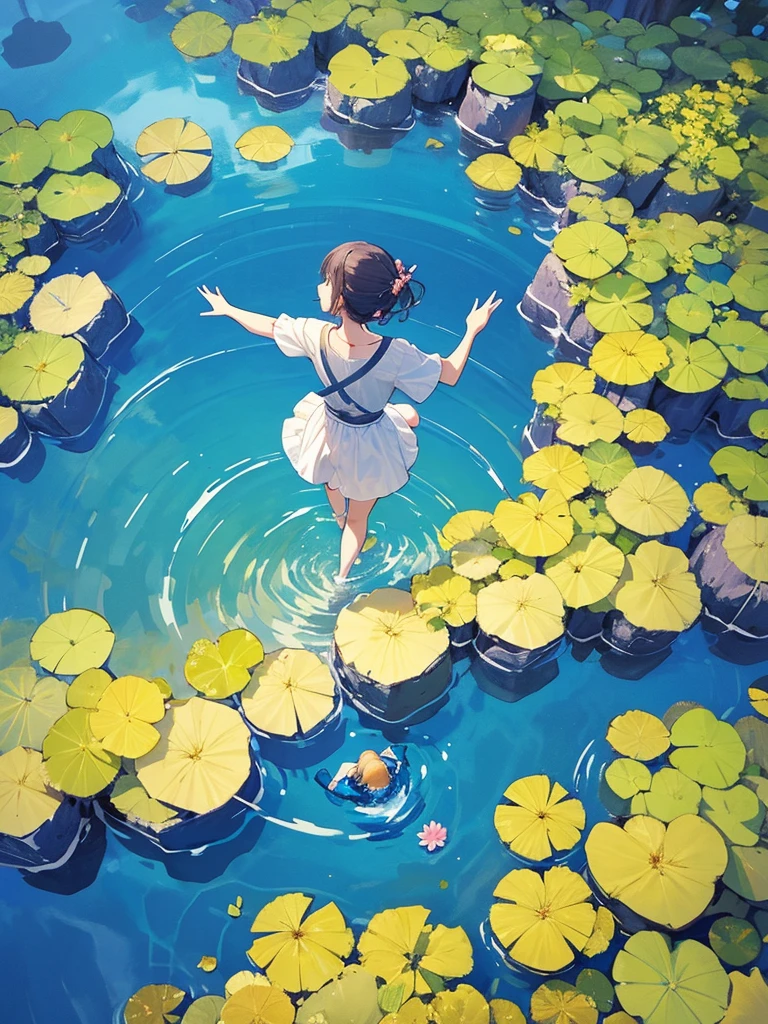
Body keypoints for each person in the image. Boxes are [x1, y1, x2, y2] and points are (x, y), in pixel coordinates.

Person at [198, 241, 501, 581]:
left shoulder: (316, 335)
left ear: (341, 299)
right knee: (362, 516)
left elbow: (268, 326)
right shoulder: (396, 354)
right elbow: (451, 373)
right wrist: (472, 328)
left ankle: (338, 518)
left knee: (333, 473)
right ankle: (341, 577)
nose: (320, 286)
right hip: (368, 437)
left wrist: (229, 309)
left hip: (328, 426)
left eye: (327, 281)